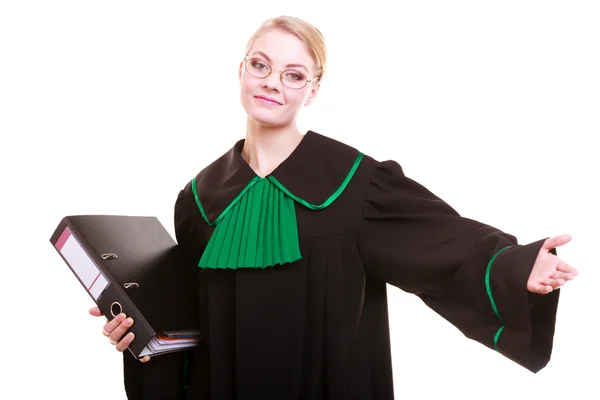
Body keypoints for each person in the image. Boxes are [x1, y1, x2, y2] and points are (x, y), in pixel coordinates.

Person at [90, 15, 578, 400]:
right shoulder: (197, 200)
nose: (273, 82)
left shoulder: (356, 182)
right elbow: (189, 325)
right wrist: (139, 332)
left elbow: (443, 242)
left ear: (313, 89)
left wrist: (516, 267)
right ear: (241, 70)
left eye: (293, 74)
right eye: (260, 65)